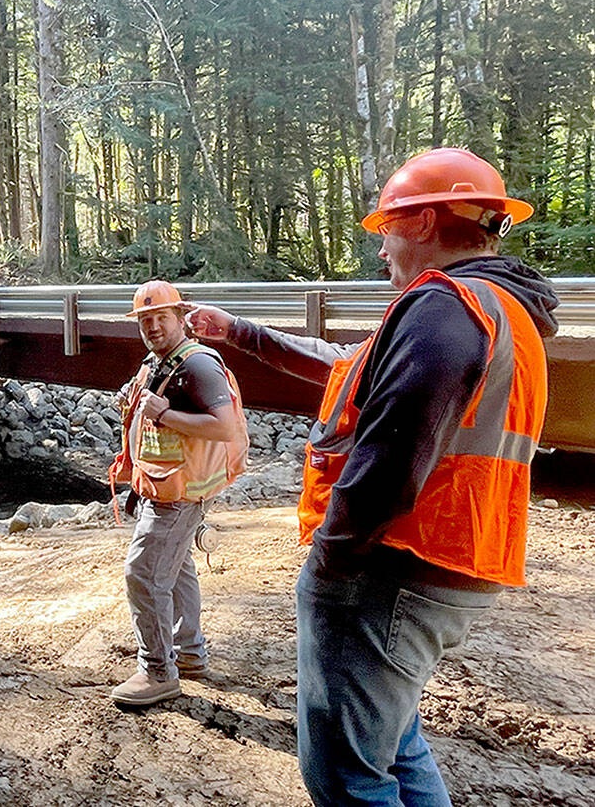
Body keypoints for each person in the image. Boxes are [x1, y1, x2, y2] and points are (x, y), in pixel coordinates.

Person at [184, 148, 558, 805]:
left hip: (392, 565)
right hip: (449, 559)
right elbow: (344, 365)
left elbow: (395, 448)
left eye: (387, 226)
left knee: (345, 775)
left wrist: (332, 558)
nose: (382, 246)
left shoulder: (445, 305)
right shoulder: (496, 308)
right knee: (393, 737)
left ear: (420, 223)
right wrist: (239, 332)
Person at [108, 279, 249, 707]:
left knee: (144, 575)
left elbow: (224, 427)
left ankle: (157, 671)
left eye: (160, 318)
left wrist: (164, 412)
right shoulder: (160, 362)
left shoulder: (197, 365)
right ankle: (188, 654)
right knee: (178, 566)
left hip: (180, 494)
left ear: (180, 318)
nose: (152, 327)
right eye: (145, 320)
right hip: (168, 486)